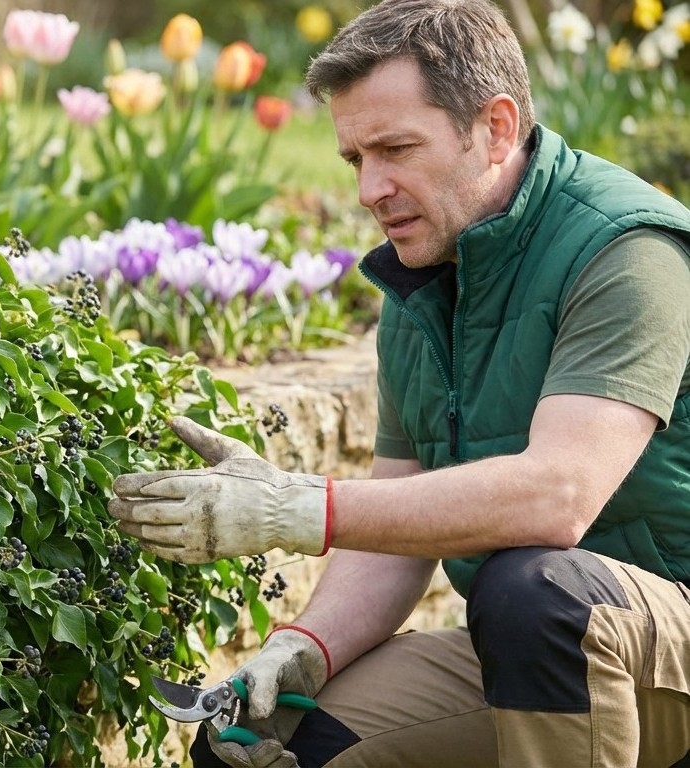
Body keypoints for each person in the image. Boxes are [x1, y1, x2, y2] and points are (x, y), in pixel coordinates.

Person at [108, 0, 690, 765]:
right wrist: (304, 645)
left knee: (531, 593)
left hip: (644, 634)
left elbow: (558, 496)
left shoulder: (626, 253)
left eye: (394, 149)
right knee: (257, 737)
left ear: (496, 128)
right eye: (355, 159)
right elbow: (396, 529)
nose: (368, 189)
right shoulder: (422, 285)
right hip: (537, 645)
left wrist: (293, 508)